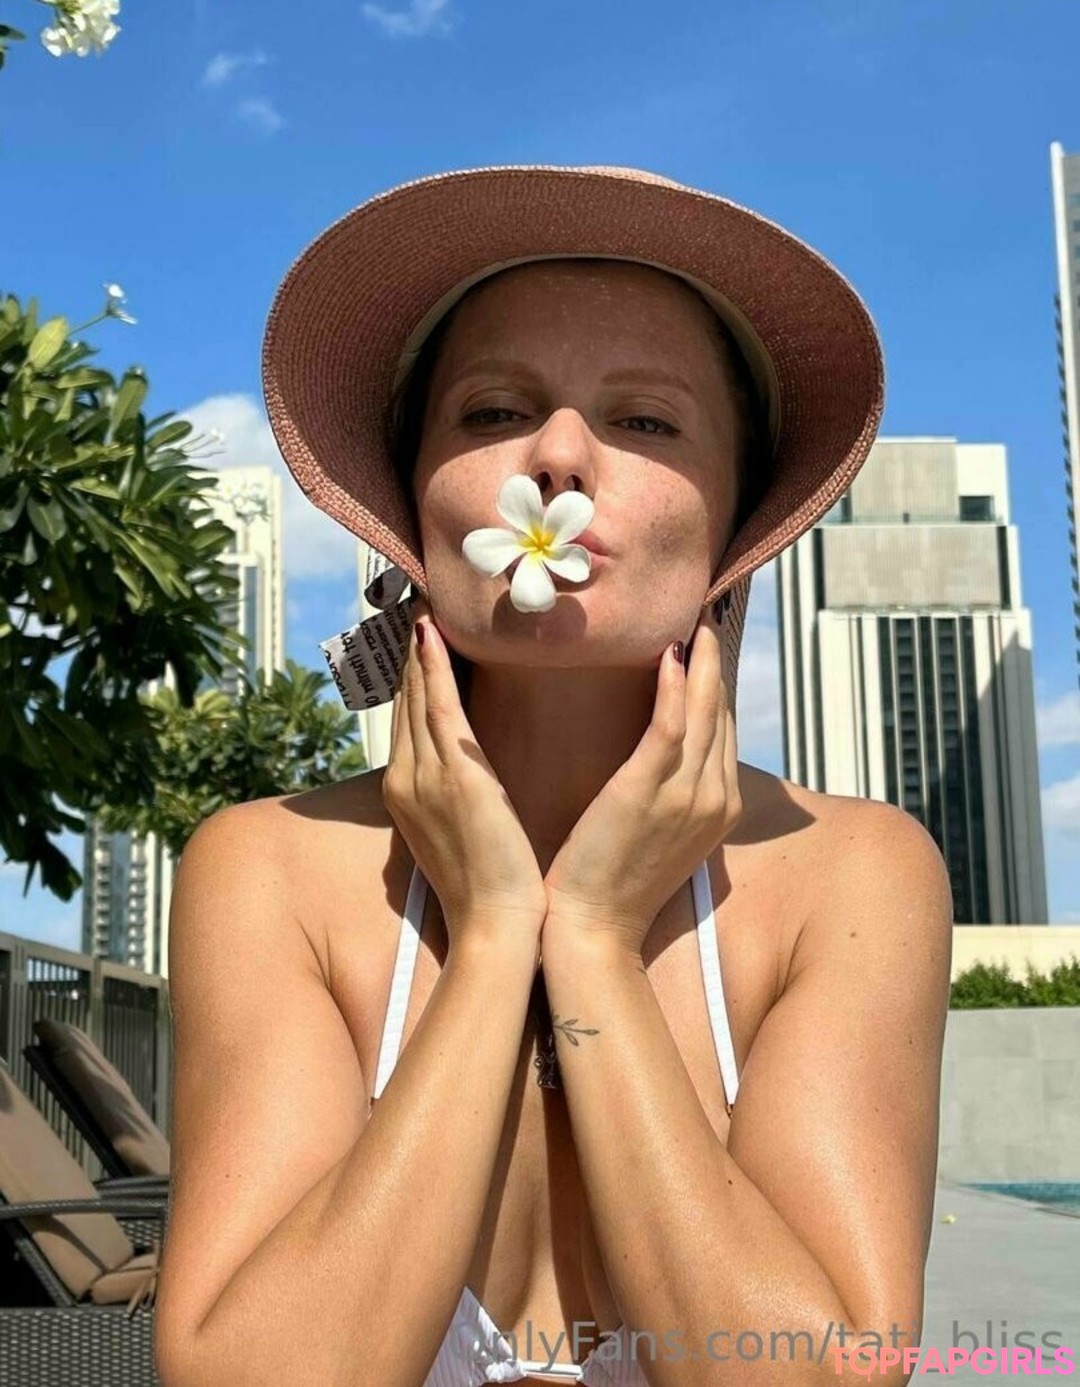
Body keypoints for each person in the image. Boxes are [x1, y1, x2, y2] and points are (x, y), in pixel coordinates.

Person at [154, 166, 954, 1387]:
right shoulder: (270, 871)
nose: (560, 456)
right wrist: (492, 937)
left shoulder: (848, 876)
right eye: (491, 412)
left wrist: (589, 936)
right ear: (408, 503)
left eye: (647, 423)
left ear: (740, 522)